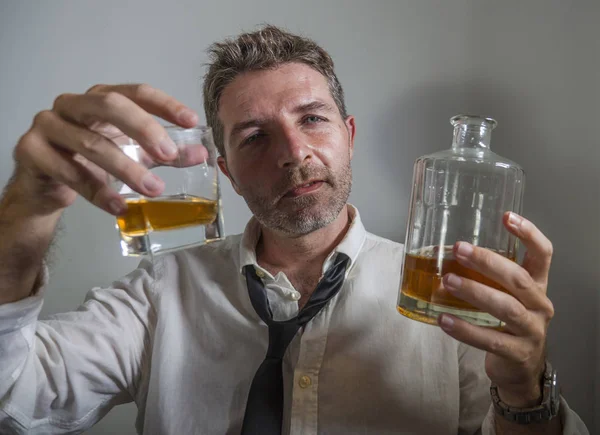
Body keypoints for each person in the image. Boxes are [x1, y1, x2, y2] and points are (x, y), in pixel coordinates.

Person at [0, 25, 589, 435]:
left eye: (312, 118)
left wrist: (524, 390)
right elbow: (14, 398)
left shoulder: (447, 295)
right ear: (224, 170)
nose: (293, 152)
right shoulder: (159, 293)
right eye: (255, 136)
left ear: (349, 136)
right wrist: (27, 210)